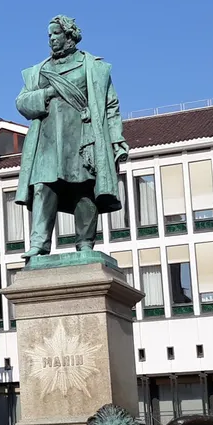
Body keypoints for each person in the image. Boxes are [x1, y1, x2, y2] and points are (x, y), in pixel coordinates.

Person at [13, 15, 128, 259]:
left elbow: (111, 106)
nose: (52, 39)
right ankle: (39, 244)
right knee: (43, 187)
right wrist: (48, 93)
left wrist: (116, 139)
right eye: (49, 35)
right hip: (47, 140)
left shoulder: (93, 67)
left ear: (69, 36)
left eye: (56, 34)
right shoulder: (39, 71)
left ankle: (85, 243)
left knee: (84, 189)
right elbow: (22, 103)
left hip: (83, 137)